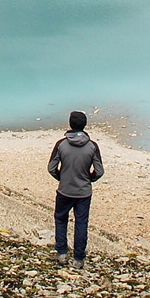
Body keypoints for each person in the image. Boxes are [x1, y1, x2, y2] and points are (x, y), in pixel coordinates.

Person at [47, 109, 103, 268]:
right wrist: (89, 179)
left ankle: (62, 253)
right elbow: (99, 171)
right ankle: (79, 258)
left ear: (70, 124)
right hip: (84, 192)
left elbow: (51, 167)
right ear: (85, 125)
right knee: (81, 223)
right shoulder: (92, 146)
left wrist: (62, 177)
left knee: (60, 219)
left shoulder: (61, 144)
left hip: (64, 189)